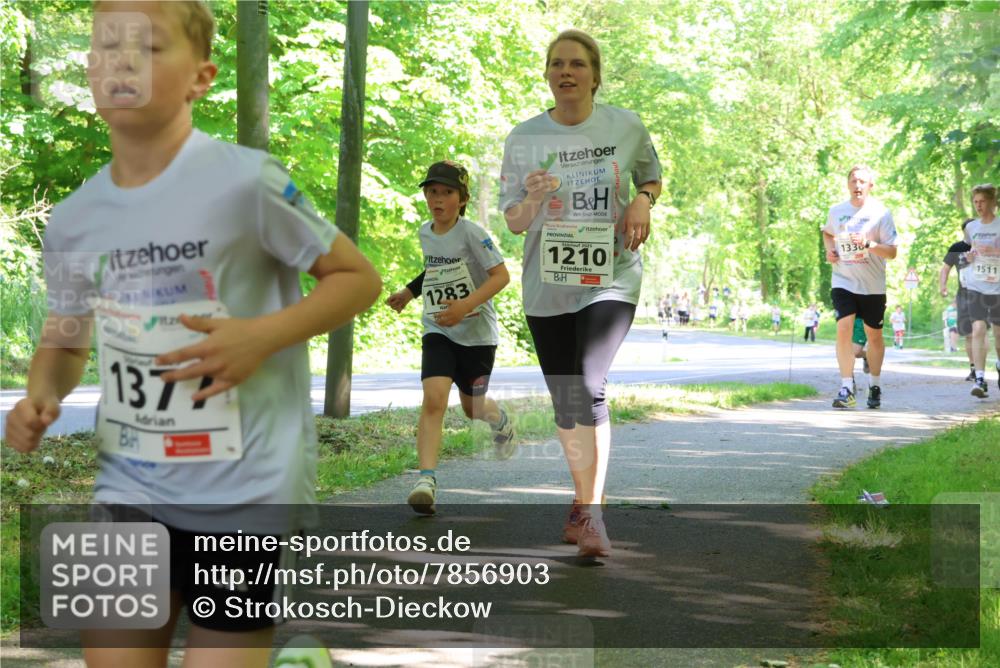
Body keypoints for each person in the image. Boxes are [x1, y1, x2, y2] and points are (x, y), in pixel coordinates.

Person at [3, 2, 381, 665]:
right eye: (107, 47)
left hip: (247, 489)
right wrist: (40, 393)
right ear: (90, 71)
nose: (121, 60)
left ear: (200, 77)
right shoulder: (72, 219)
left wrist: (258, 337)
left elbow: (357, 277)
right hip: (128, 484)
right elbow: (65, 338)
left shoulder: (247, 182)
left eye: (147, 47)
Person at [499, 29, 661, 558]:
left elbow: (652, 178)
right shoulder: (524, 138)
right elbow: (515, 223)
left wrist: (641, 201)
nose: (565, 72)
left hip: (611, 275)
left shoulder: (625, 125)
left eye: (576, 64)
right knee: (567, 395)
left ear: (595, 74)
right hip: (548, 283)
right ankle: (583, 499)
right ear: (547, 75)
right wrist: (530, 197)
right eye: (555, 64)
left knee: (589, 384)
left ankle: (591, 516)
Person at [385, 161, 515, 514]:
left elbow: (500, 276)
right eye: (432, 192)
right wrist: (411, 292)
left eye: (447, 193)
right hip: (439, 326)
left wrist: (466, 305)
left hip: (477, 333)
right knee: (434, 398)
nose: (438, 199)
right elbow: (435, 269)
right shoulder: (425, 231)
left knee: (473, 407)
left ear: (462, 199)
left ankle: (499, 420)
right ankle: (425, 479)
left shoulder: (474, 233)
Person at [822, 165, 897, 409]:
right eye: (853, 181)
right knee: (843, 327)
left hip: (873, 285)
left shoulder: (881, 213)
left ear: (870, 186)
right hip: (843, 280)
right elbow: (827, 233)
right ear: (848, 184)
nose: (857, 185)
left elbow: (892, 252)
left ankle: (874, 385)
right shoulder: (837, 211)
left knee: (873, 336)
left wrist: (868, 244)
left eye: (862, 181)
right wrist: (829, 251)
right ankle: (846, 386)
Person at [962, 183, 1000, 397]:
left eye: (983, 201)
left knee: (998, 333)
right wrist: (969, 257)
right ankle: (979, 379)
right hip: (976, 284)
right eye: (976, 202)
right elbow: (970, 248)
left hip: (998, 286)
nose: (979, 206)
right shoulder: (971, 227)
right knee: (978, 329)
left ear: (993, 202)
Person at [941, 218, 982, 380]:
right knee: (969, 334)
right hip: (964, 296)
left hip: (983, 295)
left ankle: (981, 370)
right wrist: (942, 286)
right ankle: (973, 368)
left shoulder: (985, 247)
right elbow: (945, 268)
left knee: (980, 331)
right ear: (964, 230)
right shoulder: (956, 248)